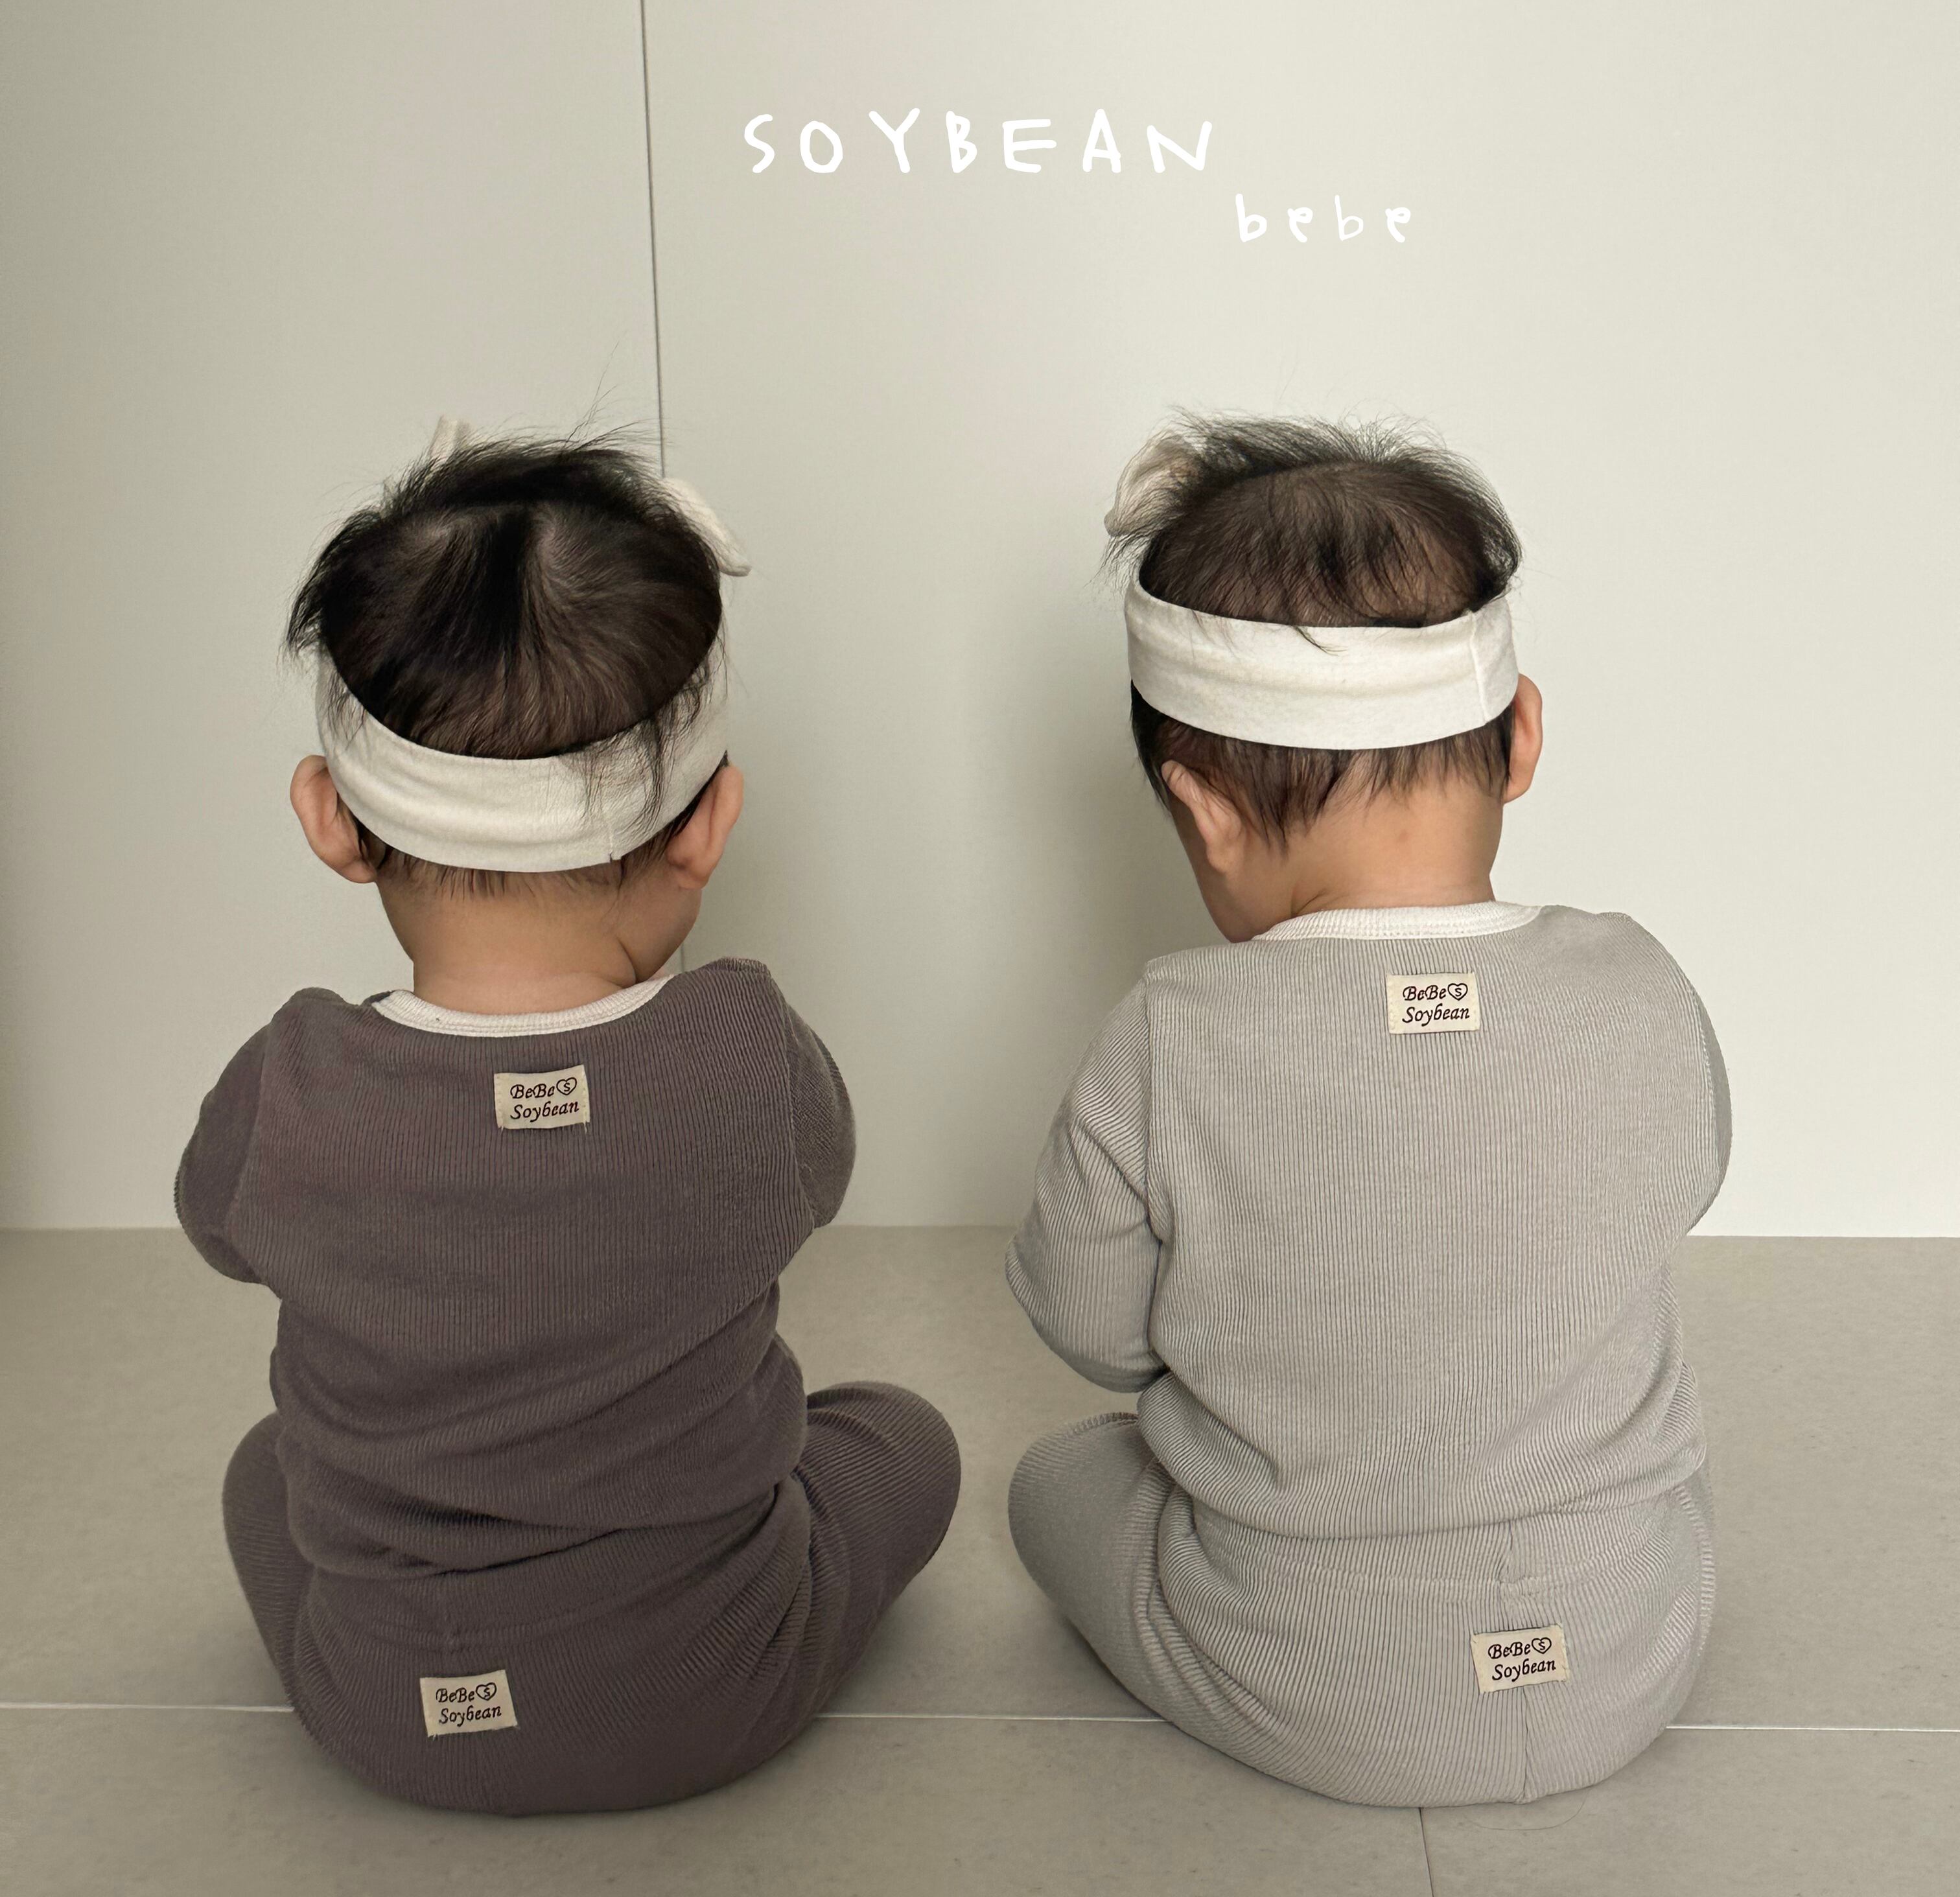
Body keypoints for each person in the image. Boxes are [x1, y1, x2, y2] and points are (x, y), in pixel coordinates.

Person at [176, 424, 959, 1815]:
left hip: (392, 1714)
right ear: (709, 824)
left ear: (332, 821)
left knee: (262, 1470)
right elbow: (822, 1171)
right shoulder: (749, 1057)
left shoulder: (290, 1086)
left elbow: (216, 1226)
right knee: (902, 1436)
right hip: (718, 1694)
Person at [1007, 415, 1727, 1806]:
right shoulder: (1642, 982)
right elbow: (1683, 1184)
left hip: (1303, 1680)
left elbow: (1094, 1335)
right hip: (1626, 1658)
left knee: (1059, 1481)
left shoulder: (1171, 1032)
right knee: (1652, 1471)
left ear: (1203, 810)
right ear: (1521, 737)